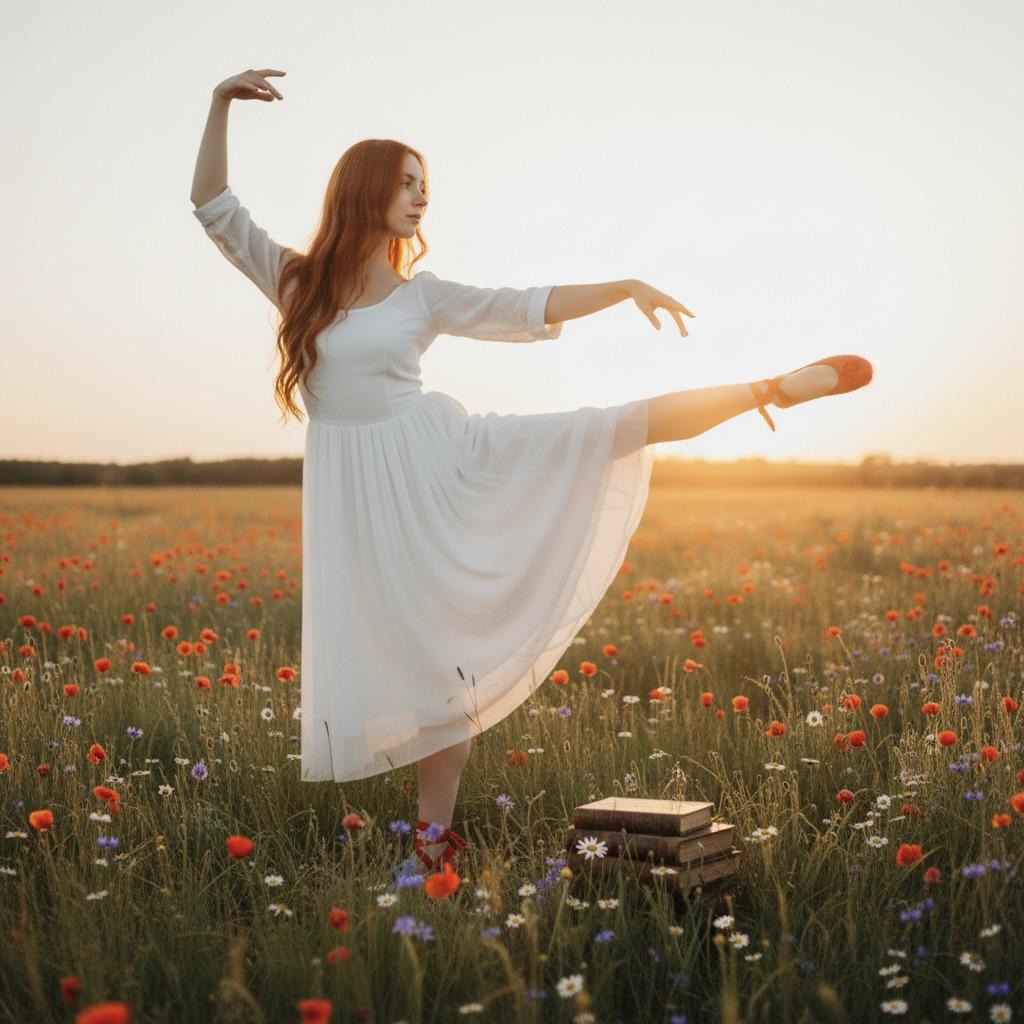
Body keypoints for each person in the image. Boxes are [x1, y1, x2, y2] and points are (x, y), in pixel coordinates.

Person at [190, 68, 873, 877]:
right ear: (364, 188)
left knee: (596, 435)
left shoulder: (424, 295)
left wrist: (620, 287)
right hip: (356, 493)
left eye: (424, 186)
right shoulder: (296, 281)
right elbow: (213, 207)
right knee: (410, 652)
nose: (420, 199)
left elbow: (526, 305)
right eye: (406, 184)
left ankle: (764, 390)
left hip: (438, 463)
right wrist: (219, 102)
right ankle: (430, 838)